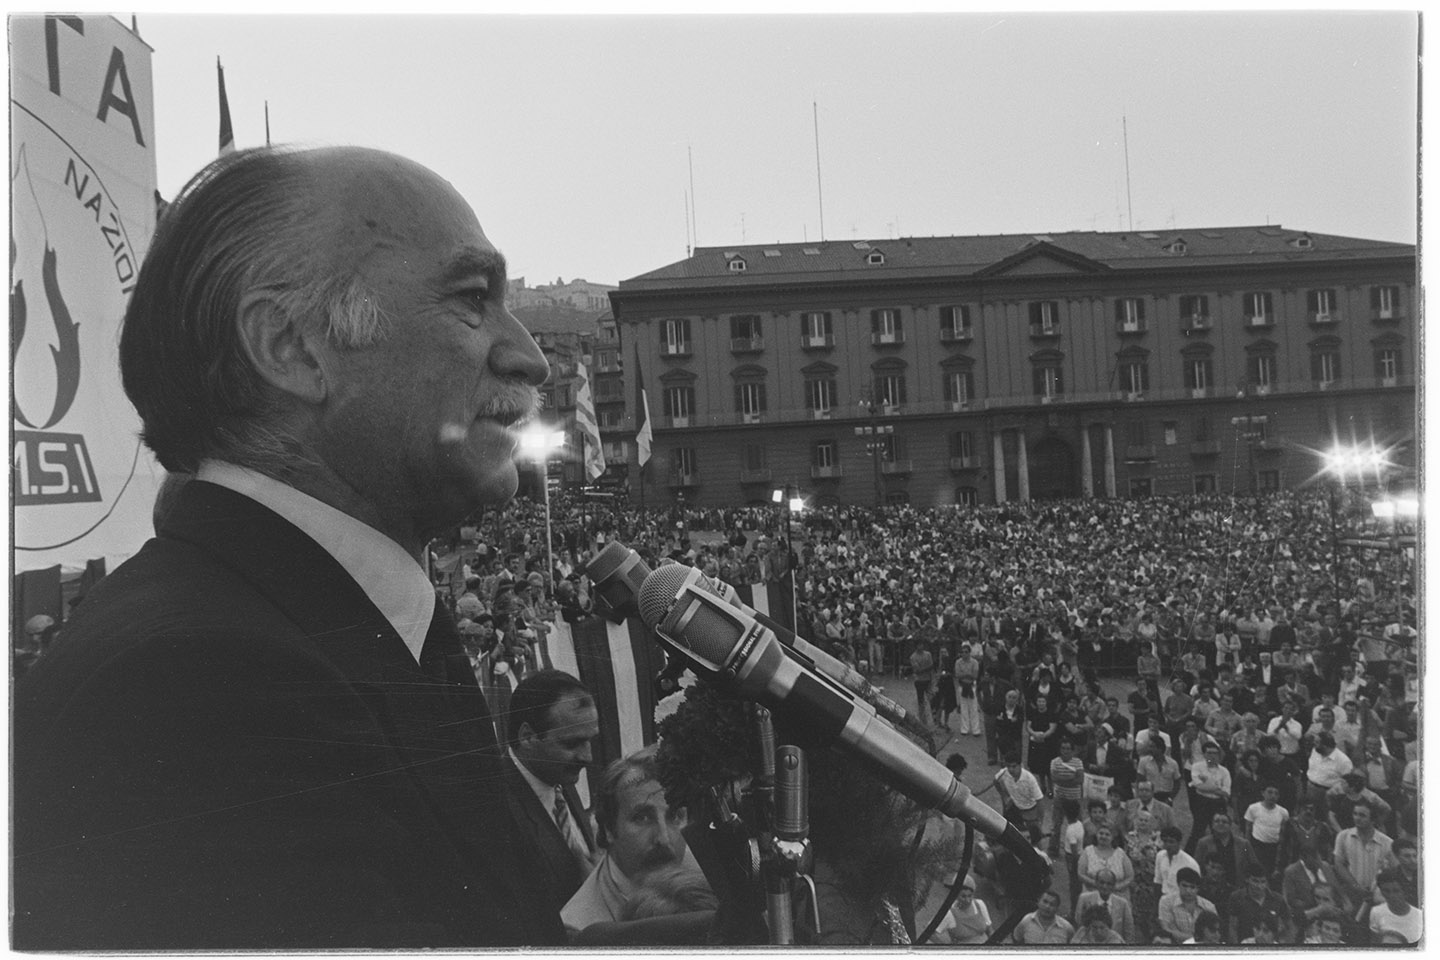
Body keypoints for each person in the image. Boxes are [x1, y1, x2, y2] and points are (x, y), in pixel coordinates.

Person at [12, 146, 559, 949]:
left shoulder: (311, 627)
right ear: (294, 348)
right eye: (473, 299)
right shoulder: (195, 689)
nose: (529, 355)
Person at [561, 745, 708, 936]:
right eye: (642, 818)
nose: (663, 838)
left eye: (674, 816)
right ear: (608, 830)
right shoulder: (582, 931)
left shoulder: (707, 875)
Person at [501, 670, 602, 916]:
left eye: (590, 741)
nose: (587, 757)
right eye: (571, 743)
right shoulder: (497, 809)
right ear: (527, 737)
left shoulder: (557, 776)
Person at [1226, 863, 1292, 944]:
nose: (1259, 886)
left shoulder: (1278, 899)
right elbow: (1233, 928)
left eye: (1263, 882)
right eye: (1255, 881)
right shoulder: (1236, 897)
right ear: (1247, 879)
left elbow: (1289, 926)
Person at [1074, 869, 1137, 944]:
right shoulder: (1084, 899)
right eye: (1102, 882)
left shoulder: (1123, 904)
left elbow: (1129, 933)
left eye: (1109, 884)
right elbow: (1079, 925)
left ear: (1114, 885)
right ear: (1096, 883)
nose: (1105, 886)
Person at [1156, 867, 1216, 944]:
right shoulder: (1166, 902)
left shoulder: (1209, 906)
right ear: (1178, 884)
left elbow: (1214, 933)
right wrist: (1195, 939)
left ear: (1198, 889)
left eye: (1192, 887)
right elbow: (1165, 929)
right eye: (1184, 886)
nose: (1188, 891)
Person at [1367, 869, 1422, 945]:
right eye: (1386, 891)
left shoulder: (1419, 916)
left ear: (1404, 891)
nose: (1391, 895)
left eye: (1396, 891)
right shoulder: (1376, 912)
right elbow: (1374, 943)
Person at [933, 876, 992, 944]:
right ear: (956, 896)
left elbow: (989, 929)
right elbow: (931, 933)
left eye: (970, 896)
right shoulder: (950, 914)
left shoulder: (979, 904)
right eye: (963, 896)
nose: (967, 900)